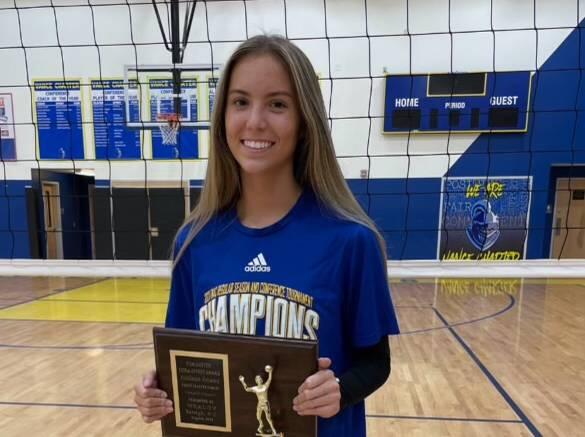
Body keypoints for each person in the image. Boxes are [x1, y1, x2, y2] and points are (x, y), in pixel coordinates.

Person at [134, 34, 400, 437]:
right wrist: (157, 390)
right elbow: (184, 359)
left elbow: (376, 362)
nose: (255, 121)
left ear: (304, 120)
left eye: (277, 104)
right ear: (223, 117)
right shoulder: (194, 241)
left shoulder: (350, 240)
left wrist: (340, 390)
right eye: (240, 102)